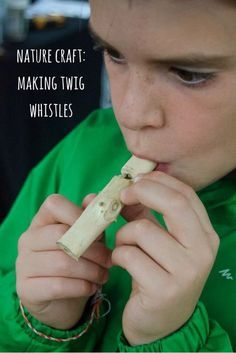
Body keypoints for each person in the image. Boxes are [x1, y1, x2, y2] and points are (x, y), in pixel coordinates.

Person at [0, 0, 235, 351]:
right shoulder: (85, 145)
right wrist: (37, 323)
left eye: (189, 74)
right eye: (114, 54)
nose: (129, 112)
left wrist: (168, 338)